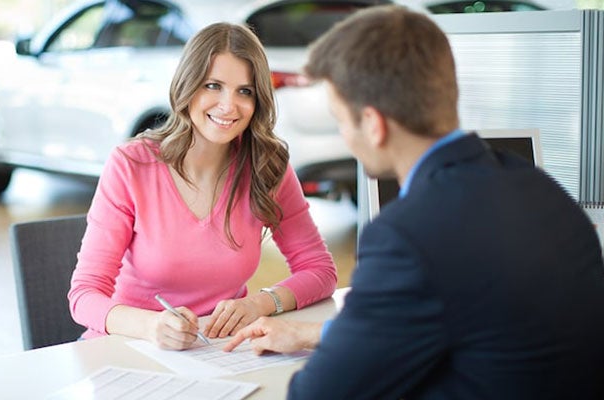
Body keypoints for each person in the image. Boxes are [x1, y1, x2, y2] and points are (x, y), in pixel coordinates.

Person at [225, 5, 604, 399]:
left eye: (341, 120)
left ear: (373, 124)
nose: (345, 137)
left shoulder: (406, 236)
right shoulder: (539, 187)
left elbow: (318, 392)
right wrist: (317, 335)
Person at [68, 22, 337, 350]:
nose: (228, 106)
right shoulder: (131, 165)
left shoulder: (267, 166)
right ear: (188, 85)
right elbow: (84, 295)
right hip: (127, 348)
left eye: (245, 91)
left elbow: (320, 270)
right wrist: (151, 326)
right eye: (213, 85)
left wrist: (258, 304)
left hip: (220, 352)